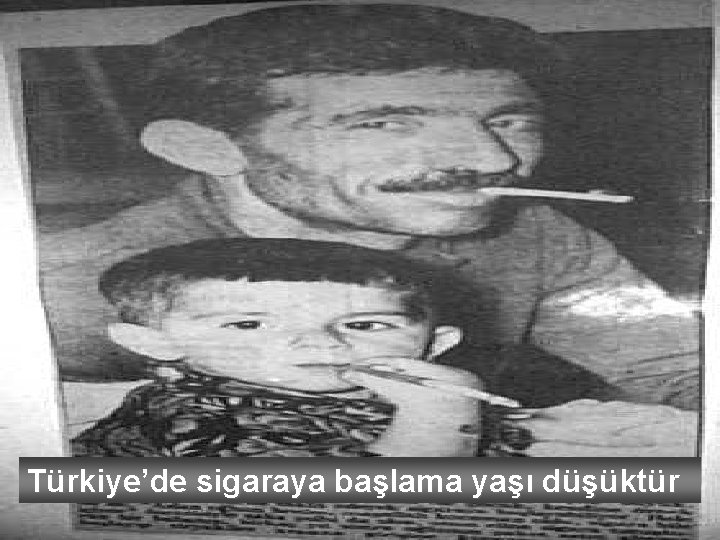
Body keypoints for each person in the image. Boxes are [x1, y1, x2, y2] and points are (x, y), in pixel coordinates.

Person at [39, 4, 699, 419]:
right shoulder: (69, 281)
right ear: (206, 148)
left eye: (508, 120)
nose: (490, 159)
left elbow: (679, 373)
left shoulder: (537, 236)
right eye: (386, 124)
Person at [69, 238, 695, 458]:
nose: (319, 342)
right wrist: (438, 415)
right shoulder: (191, 414)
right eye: (248, 325)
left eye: (366, 325)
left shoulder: (369, 390)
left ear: (436, 344)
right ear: (152, 343)